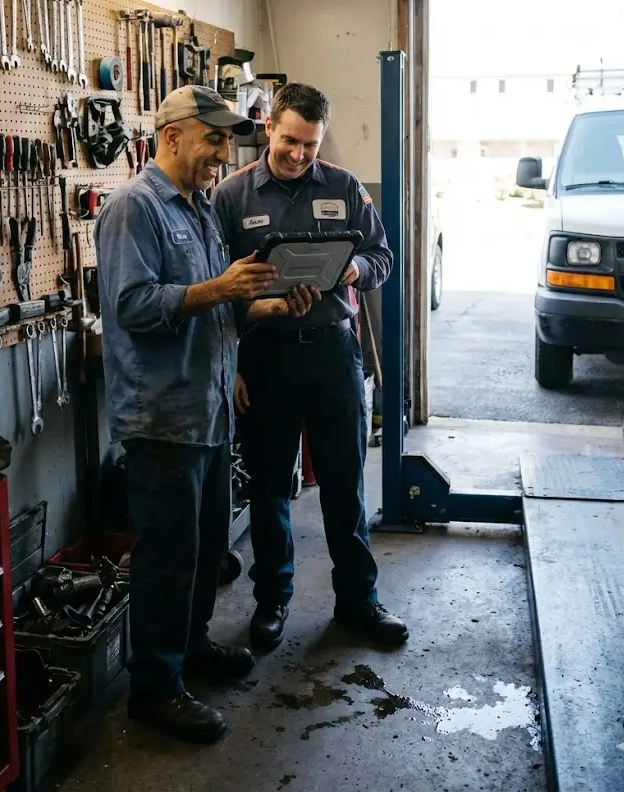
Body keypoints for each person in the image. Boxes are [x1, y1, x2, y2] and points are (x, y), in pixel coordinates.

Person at [94, 85, 318, 744]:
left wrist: (264, 305)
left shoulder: (197, 209)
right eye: (213, 139)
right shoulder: (134, 207)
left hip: (210, 410)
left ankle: (189, 651)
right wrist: (219, 287)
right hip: (162, 418)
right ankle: (154, 690)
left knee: (205, 551)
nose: (223, 154)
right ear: (172, 136)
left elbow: (216, 309)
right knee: (168, 558)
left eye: (227, 141)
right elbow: (131, 306)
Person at [212, 82, 409, 652]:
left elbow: (382, 256)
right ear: (269, 127)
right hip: (265, 355)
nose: (299, 155)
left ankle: (358, 601)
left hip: (332, 350)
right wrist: (232, 366)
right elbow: (214, 288)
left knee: (345, 482)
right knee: (270, 485)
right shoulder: (231, 197)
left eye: (311, 146)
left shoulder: (345, 188)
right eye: (290, 141)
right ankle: (272, 600)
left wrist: (353, 272)